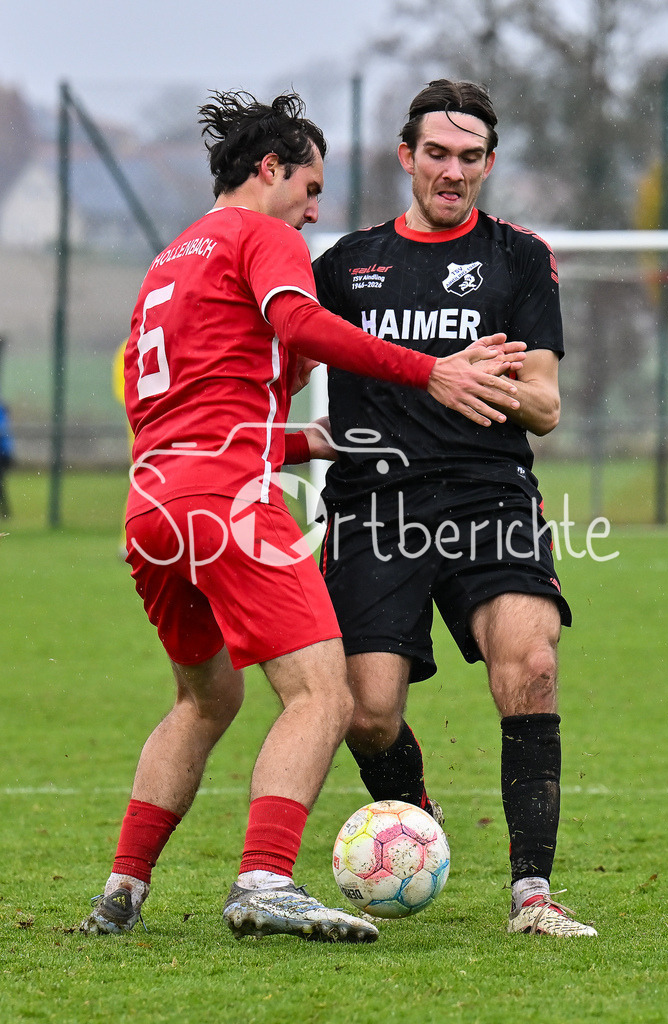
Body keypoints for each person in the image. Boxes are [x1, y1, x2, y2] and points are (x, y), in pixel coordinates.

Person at [79, 89, 528, 944]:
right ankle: (265, 880)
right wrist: (427, 371)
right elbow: (297, 320)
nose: (315, 209)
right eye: (309, 186)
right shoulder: (263, 235)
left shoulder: (169, 260)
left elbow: (174, 409)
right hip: (228, 506)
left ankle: (123, 888)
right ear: (269, 170)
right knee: (325, 695)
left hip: (152, 506)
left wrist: (294, 444)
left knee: (205, 701)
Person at [313, 79, 597, 937]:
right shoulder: (346, 265)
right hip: (374, 504)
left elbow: (546, 406)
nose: (453, 171)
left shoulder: (518, 257)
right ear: (407, 158)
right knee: (367, 713)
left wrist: (485, 380)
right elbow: (288, 358)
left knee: (532, 664)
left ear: (489, 164)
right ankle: (415, 825)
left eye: (470, 158)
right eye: (437, 154)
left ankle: (532, 895)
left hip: (487, 495)